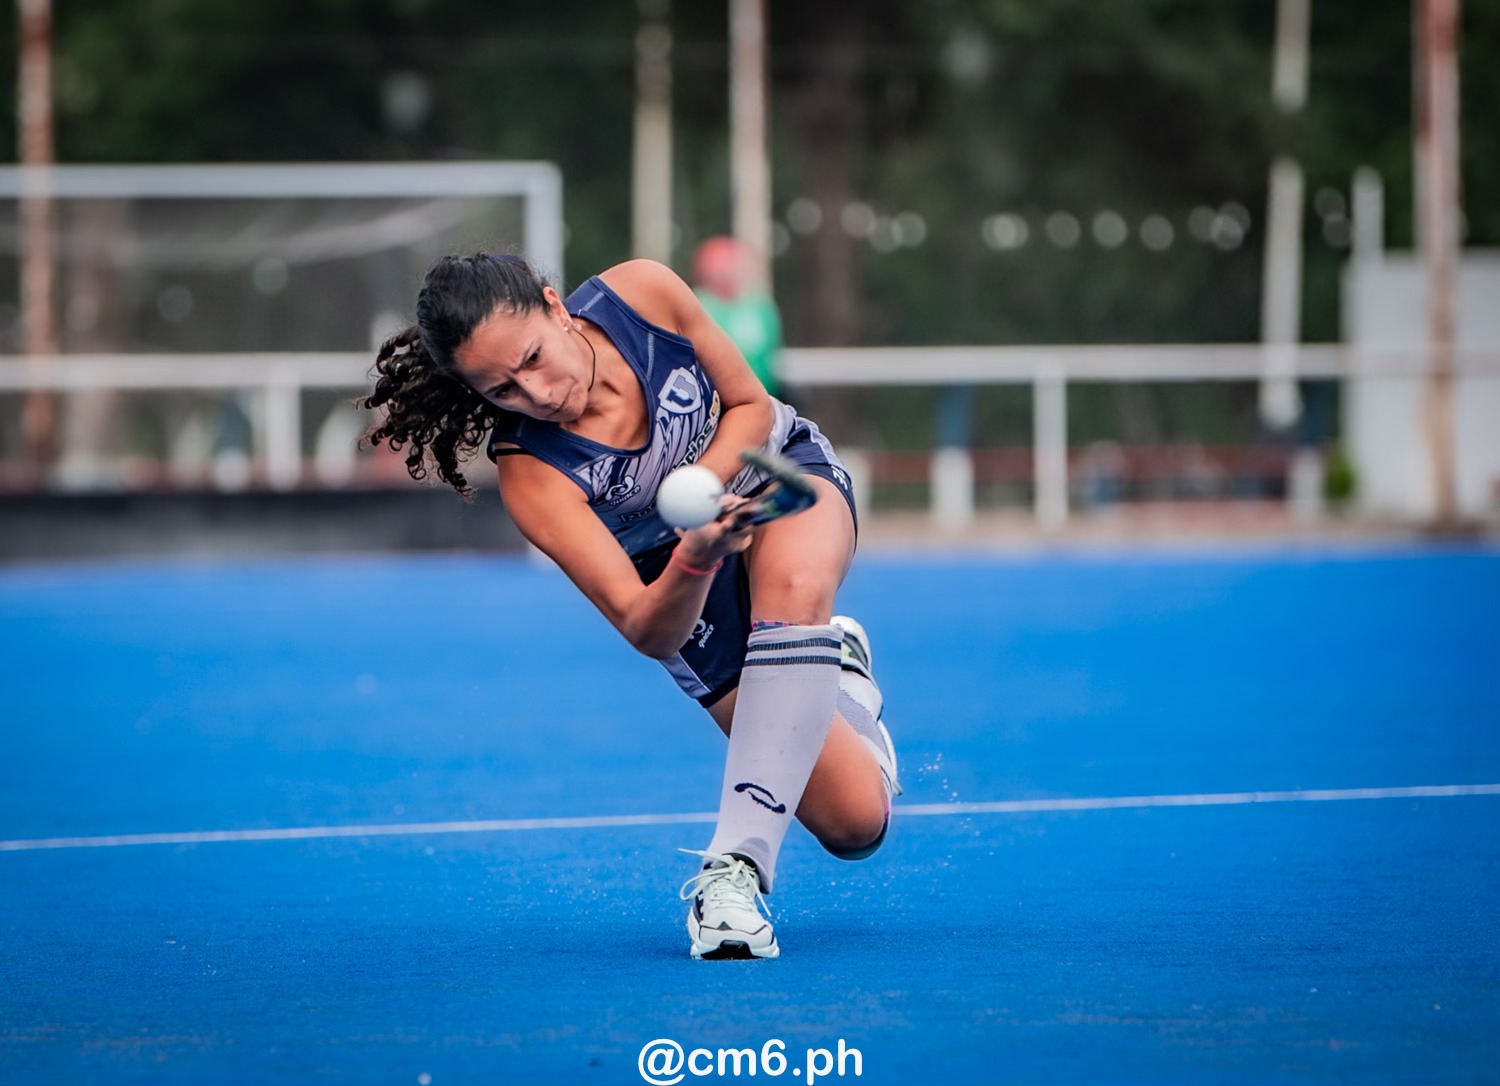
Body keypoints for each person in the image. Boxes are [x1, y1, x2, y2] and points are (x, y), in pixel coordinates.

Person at [361, 252, 897, 960]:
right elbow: (646, 625)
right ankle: (843, 674)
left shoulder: (642, 295)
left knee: (793, 593)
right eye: (503, 388)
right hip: (679, 577)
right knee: (856, 825)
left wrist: (704, 485)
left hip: (772, 473)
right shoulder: (532, 473)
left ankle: (732, 874)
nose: (537, 393)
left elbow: (751, 405)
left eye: (532, 357)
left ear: (555, 307)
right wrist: (697, 553)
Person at [691, 236, 784, 399]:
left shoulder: (760, 307)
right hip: (712, 401)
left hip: (763, 398)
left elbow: (768, 358)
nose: (726, 271)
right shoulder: (694, 305)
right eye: (718, 265)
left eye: (730, 263)